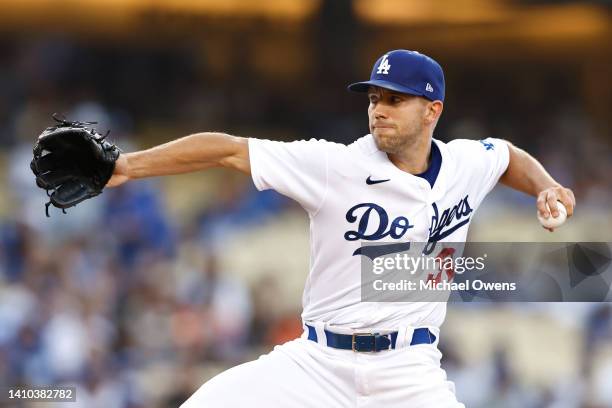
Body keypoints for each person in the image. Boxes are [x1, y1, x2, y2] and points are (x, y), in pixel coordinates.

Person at [107, 49, 575, 407]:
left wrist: (546, 186)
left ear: (432, 111)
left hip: (408, 372)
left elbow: (507, 156)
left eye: (395, 99)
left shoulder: (464, 163)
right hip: (317, 363)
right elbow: (227, 149)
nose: (379, 110)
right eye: (374, 98)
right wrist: (129, 164)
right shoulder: (336, 165)